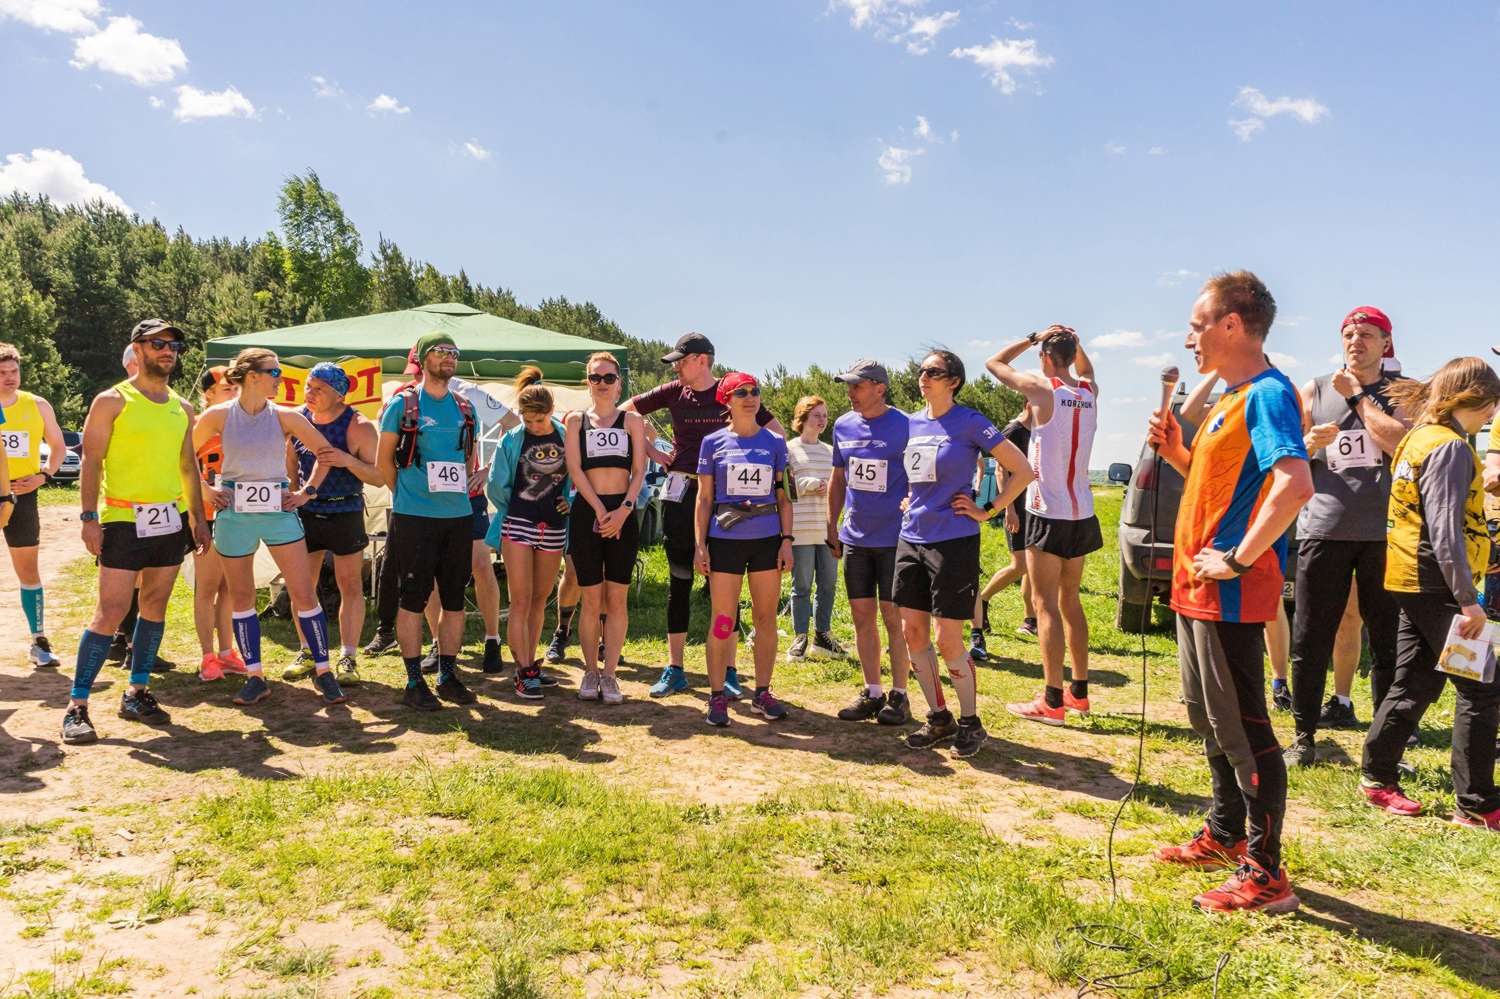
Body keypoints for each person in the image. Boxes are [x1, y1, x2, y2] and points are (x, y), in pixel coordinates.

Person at [1146, 271, 1311, 914]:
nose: (1190, 338)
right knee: (1210, 720)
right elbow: (1223, 484)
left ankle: (1267, 873)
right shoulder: (1231, 396)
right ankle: (1225, 830)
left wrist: (1240, 559)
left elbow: (1293, 485)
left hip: (1230, 593)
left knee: (1244, 729)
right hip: (1195, 589)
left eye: (1197, 325)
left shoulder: (1268, 394)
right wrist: (1181, 453)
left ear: (1232, 325)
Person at [1361, 358, 1500, 831]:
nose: (1491, 416)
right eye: (1491, 406)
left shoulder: (1417, 439)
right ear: (1474, 399)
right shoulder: (1451, 449)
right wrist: (1468, 599)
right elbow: (1443, 530)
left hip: (1408, 578)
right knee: (1482, 690)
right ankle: (1477, 803)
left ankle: (1377, 775)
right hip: (1439, 586)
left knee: (1415, 682)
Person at [62, 319, 210, 744]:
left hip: (169, 518)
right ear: (138, 348)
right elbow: (91, 461)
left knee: (156, 605)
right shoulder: (112, 401)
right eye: (159, 344)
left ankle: (137, 691)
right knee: (110, 611)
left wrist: (198, 520)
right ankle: (77, 705)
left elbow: (188, 468)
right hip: (124, 518)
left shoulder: (182, 408)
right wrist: (89, 517)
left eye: (175, 345)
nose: (169, 351)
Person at [624, 332, 784, 698]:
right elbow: (626, 411)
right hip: (682, 490)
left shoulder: (734, 392)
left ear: (701, 360)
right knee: (679, 577)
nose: (676, 367)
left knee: (724, 584)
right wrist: (650, 450)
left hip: (726, 499)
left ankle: (729, 671)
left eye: (681, 360)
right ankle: (675, 667)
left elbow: (776, 434)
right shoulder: (671, 391)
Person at [1282, 308, 1410, 766]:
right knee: (1311, 637)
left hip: (1384, 534)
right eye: (1349, 334)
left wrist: (1357, 395)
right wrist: (1311, 444)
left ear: (1386, 343)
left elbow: (1401, 443)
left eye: (1367, 335)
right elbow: (1286, 452)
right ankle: (1303, 737)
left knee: (1388, 640)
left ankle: (1386, 745)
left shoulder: (1403, 392)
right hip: (1324, 529)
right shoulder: (1314, 389)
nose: (1356, 341)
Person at [896, 350, 1032, 758]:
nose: (924, 377)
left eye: (934, 372)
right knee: (912, 633)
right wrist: (908, 499)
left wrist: (987, 510)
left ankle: (971, 721)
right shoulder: (912, 423)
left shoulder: (970, 421)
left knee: (948, 638)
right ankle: (939, 717)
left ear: (953, 380)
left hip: (953, 539)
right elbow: (916, 476)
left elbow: (1022, 470)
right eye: (921, 371)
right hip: (911, 537)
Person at [193, 348, 347, 708]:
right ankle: (255, 676)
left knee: (304, 594)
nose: (281, 378)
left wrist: (305, 493)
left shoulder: (285, 417)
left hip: (279, 513)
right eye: (275, 372)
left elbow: (326, 453)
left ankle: (324, 671)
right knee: (243, 598)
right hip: (235, 515)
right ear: (252, 376)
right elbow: (182, 454)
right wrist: (207, 489)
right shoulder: (217, 415)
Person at [986, 326, 1103, 726]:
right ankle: (1080, 693)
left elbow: (994, 364)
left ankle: (1052, 700)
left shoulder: (1043, 390)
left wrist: (1033, 337)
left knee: (1045, 605)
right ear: (1073, 354)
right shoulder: (1089, 392)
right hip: (1081, 510)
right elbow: (1084, 370)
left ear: (1047, 358)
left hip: (1046, 509)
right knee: (1072, 601)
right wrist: (1075, 342)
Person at [377, 333, 484, 709]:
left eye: (454, 352)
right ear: (424, 359)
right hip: (414, 518)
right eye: (441, 352)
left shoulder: (464, 407)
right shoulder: (403, 405)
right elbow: (383, 462)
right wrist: (407, 496)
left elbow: (468, 459)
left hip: (457, 517)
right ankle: (412, 680)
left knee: (455, 601)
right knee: (413, 598)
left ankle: (448, 674)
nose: (449, 358)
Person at [693, 372, 793, 726]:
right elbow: (704, 500)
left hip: (767, 540)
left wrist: (786, 541)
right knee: (723, 620)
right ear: (727, 401)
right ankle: (717, 695)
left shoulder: (776, 443)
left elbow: (783, 497)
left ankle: (762, 693)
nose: (751, 398)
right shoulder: (712, 443)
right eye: (742, 393)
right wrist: (700, 546)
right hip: (725, 541)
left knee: (766, 619)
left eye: (755, 392)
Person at [283, 363, 384, 687]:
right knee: (302, 586)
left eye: (318, 389)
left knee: (350, 585)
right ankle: (308, 651)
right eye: (307, 387)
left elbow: (379, 476)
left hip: (346, 510)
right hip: (306, 513)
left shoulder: (359, 426)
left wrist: (347, 461)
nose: (309, 394)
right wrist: (289, 496)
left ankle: (348, 656)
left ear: (338, 393)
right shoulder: (298, 419)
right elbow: (291, 466)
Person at [826, 360, 913, 724]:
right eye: (848, 386)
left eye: (857, 386)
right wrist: (831, 525)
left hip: (895, 539)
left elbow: (919, 477)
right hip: (856, 539)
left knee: (894, 619)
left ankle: (900, 695)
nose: (850, 394)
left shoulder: (908, 425)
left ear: (880, 388)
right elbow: (838, 479)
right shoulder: (843, 425)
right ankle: (872, 691)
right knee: (862, 616)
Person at [564, 352, 647, 703]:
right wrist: (600, 510)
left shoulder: (632, 422)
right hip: (588, 513)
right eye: (595, 378)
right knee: (590, 598)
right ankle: (589, 671)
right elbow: (575, 469)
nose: (601, 384)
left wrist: (623, 510)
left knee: (617, 599)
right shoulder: (575, 421)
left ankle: (610, 674)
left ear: (619, 383)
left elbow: (640, 470)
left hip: (623, 514)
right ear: (587, 382)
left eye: (608, 378)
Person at [487, 366, 571, 699]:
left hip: (553, 527)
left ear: (551, 413)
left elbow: (576, 477)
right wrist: (518, 508)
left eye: (540, 421)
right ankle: (523, 670)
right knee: (520, 600)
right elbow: (496, 483)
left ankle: (532, 663)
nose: (534, 426)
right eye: (528, 420)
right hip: (518, 524)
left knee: (540, 600)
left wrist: (570, 500)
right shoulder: (512, 439)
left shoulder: (565, 435)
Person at [0, 342, 66, 667]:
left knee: (28, 570)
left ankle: (39, 640)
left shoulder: (37, 405)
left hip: (23, 496)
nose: (9, 378)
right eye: (2, 373)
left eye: (14, 371)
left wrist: (44, 475)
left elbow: (58, 446)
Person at [191, 366, 247, 681]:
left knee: (230, 589)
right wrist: (206, 492)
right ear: (208, 393)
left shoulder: (238, 425)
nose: (233, 393)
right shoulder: (199, 426)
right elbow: (182, 464)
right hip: (208, 518)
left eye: (236, 388)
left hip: (238, 516)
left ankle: (227, 652)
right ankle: (207, 656)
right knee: (207, 588)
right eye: (227, 388)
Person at [970, 404, 1035, 661]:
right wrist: (1010, 509)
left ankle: (1030, 618)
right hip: (1016, 508)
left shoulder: (1036, 430)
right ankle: (983, 600)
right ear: (1029, 405)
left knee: (1032, 563)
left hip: (1035, 506)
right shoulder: (1014, 430)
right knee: (1019, 564)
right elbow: (1001, 470)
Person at [785, 396, 844, 661]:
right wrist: (808, 484)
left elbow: (842, 488)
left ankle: (823, 636)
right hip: (800, 527)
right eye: (817, 415)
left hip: (827, 527)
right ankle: (800, 638)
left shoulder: (832, 451)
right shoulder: (789, 449)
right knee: (802, 586)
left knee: (829, 584)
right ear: (803, 417)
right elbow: (783, 489)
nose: (822, 420)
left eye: (825, 415)